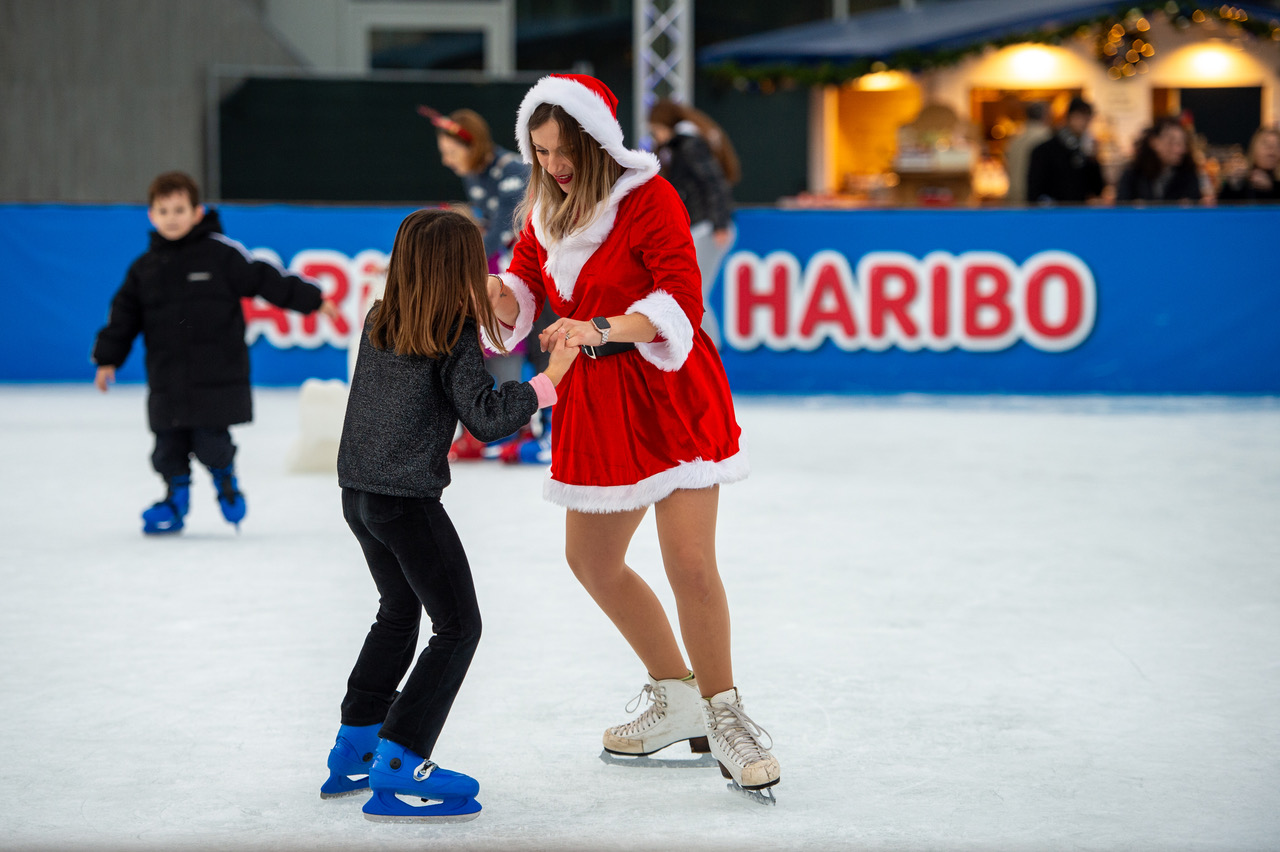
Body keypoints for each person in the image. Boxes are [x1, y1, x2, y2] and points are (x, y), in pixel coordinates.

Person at [485, 73, 780, 799]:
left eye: (563, 150)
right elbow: (520, 291)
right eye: (541, 151)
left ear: (595, 141)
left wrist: (601, 328)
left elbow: (681, 297)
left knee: (688, 561)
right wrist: (473, 288)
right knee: (590, 558)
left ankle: (726, 715)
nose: (553, 165)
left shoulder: (647, 196)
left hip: (668, 386)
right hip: (596, 401)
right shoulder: (546, 213)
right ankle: (674, 694)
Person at [322, 208, 575, 821]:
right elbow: (486, 421)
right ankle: (400, 757)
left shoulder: (384, 317)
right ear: (458, 269)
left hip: (357, 494)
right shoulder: (451, 332)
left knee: (398, 611)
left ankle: (355, 739)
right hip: (405, 502)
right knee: (459, 627)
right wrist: (550, 381)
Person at [91, 171, 338, 535]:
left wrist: (312, 299)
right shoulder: (144, 270)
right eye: (163, 210)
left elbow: (264, 279)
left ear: (197, 211)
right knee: (166, 449)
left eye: (179, 209)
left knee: (212, 444)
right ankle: (175, 500)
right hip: (168, 378)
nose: (171, 217)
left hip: (217, 375)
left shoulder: (221, 255)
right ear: (151, 215)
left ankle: (225, 480)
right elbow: (123, 316)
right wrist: (107, 357)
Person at [422, 105, 553, 463]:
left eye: (451, 153)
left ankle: (550, 431)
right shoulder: (475, 176)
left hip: (540, 270)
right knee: (499, 346)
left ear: (472, 145)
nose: (448, 162)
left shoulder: (511, 171)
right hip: (510, 273)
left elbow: (505, 228)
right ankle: (511, 425)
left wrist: (463, 266)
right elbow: (486, 226)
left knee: (544, 346)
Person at [647, 99, 740, 347]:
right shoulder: (680, 147)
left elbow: (714, 183)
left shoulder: (689, 146)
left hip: (707, 228)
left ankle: (709, 352)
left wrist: (719, 224)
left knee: (694, 295)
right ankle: (704, 351)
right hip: (701, 227)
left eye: (656, 129)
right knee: (690, 294)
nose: (655, 135)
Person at [1027, 96, 1106, 204]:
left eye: (1087, 118)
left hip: (1078, 213)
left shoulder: (1085, 151)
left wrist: (1094, 160)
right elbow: (1035, 190)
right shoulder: (1045, 150)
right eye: (1079, 117)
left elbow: (1097, 189)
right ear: (1068, 117)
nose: (1084, 122)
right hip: (1054, 215)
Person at [1115, 117, 1203, 203]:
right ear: (1154, 142)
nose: (1180, 150)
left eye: (1183, 143)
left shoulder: (1188, 174)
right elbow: (1122, 207)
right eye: (1172, 142)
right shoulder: (1133, 174)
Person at [1002, 102, 1053, 204]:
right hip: (1036, 202)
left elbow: (1006, 168)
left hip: (1014, 200)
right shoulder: (1048, 139)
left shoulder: (1014, 140)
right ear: (1046, 116)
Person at [1217, 126, 1280, 202]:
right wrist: (1232, 186)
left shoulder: (1276, 186)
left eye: (1277, 145)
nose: (1271, 149)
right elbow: (1222, 209)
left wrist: (1270, 189)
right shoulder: (1243, 180)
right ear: (1254, 148)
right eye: (1266, 143)